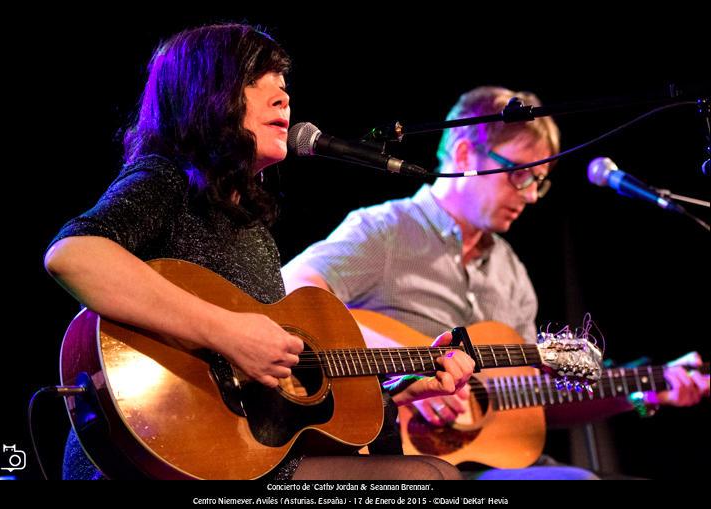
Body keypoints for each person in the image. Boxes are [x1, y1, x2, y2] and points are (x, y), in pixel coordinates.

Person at [44, 23, 476, 481]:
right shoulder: (167, 179)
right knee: (432, 479)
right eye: (256, 80)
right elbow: (73, 254)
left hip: (240, 457)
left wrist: (395, 389)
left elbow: (281, 398)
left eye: (284, 85)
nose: (282, 97)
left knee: (432, 474)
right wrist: (228, 333)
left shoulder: (251, 228)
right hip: (149, 460)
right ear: (203, 96)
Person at [282, 86, 709, 479]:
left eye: (539, 182)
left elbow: (526, 402)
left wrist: (643, 390)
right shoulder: (385, 231)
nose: (529, 195)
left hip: (481, 464)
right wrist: (410, 370)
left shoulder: (513, 275)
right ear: (466, 154)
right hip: (385, 453)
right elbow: (292, 291)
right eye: (521, 174)